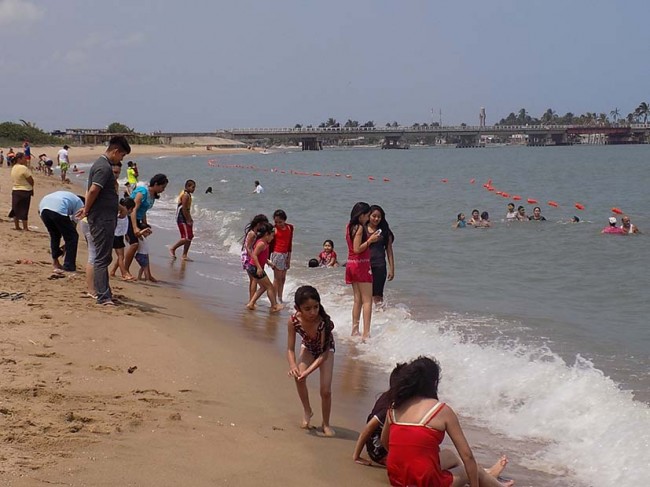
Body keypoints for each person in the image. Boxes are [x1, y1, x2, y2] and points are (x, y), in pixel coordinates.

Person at [381, 356, 514, 487]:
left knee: (449, 456)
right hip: (426, 483)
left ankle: (489, 476)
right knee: (475, 470)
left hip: (397, 478)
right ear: (433, 382)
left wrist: (408, 461)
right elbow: (467, 456)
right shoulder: (440, 410)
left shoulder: (394, 408)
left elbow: (384, 442)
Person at [76, 136, 131, 306]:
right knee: (101, 257)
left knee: (104, 257)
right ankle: (103, 296)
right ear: (115, 151)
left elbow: (104, 193)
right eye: (121, 156)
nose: (121, 160)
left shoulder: (103, 166)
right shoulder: (103, 167)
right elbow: (93, 191)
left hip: (105, 216)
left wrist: (119, 208)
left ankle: (105, 292)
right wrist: (86, 209)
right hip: (101, 219)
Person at [286, 285, 335, 437]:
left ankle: (325, 423)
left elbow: (323, 355)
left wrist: (307, 371)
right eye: (307, 309)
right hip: (308, 346)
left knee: (325, 391)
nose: (313, 312)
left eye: (316, 307)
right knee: (299, 378)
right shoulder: (293, 321)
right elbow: (290, 349)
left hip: (325, 351)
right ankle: (307, 411)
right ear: (297, 308)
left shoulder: (323, 323)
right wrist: (293, 366)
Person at [353, 363, 406, 466]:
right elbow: (368, 428)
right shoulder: (390, 407)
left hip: (380, 443)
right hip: (378, 451)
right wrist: (356, 456)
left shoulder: (389, 396)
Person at [346, 202, 381, 339]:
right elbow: (357, 249)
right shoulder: (360, 228)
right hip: (361, 265)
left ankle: (355, 330)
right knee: (367, 301)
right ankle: (366, 333)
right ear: (361, 215)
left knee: (357, 300)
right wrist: (371, 240)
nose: (368, 218)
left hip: (351, 264)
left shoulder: (349, 226)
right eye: (367, 215)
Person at [124, 173, 169, 278]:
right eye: (163, 187)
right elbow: (134, 209)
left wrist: (145, 224)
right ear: (156, 184)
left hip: (138, 219)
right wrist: (135, 227)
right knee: (134, 244)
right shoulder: (142, 192)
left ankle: (147, 274)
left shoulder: (152, 196)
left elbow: (143, 210)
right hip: (127, 217)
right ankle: (125, 270)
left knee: (143, 246)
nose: (163, 190)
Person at [38, 191, 84, 273]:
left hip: (44, 207)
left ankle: (55, 262)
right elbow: (74, 223)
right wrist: (68, 243)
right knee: (73, 237)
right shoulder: (80, 204)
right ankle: (69, 265)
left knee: (55, 235)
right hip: (58, 208)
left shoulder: (70, 197)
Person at [244, 222, 283, 312]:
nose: (273, 238)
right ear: (266, 234)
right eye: (272, 236)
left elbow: (262, 256)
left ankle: (251, 303)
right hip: (254, 268)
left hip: (254, 267)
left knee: (263, 287)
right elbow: (254, 255)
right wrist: (259, 267)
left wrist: (269, 263)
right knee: (269, 286)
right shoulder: (261, 243)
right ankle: (274, 306)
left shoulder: (265, 243)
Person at [367, 205, 395, 307]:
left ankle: (380, 316)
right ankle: (366, 316)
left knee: (378, 295)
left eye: (379, 217)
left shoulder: (385, 231)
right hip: (365, 265)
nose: (376, 219)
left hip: (379, 266)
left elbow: (389, 251)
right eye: (374, 216)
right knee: (366, 295)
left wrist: (392, 269)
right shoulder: (362, 230)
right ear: (368, 216)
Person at [241, 214, 269, 301]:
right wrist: (252, 258)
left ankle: (251, 300)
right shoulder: (252, 233)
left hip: (249, 255)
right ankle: (251, 300)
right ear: (258, 224)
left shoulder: (254, 232)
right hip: (247, 257)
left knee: (253, 280)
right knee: (254, 280)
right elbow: (248, 247)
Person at [268, 209, 294, 303]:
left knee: (283, 279)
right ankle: (273, 299)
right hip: (277, 254)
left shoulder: (290, 228)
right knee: (277, 279)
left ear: (284, 220)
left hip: (286, 254)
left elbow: (289, 243)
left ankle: (280, 297)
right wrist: (268, 259)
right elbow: (269, 243)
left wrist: (289, 258)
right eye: (276, 222)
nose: (278, 224)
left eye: (280, 222)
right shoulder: (273, 229)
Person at [109, 197, 136, 281]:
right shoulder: (121, 214)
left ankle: (113, 271)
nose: (132, 211)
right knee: (121, 256)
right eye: (131, 209)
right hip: (116, 237)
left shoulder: (124, 215)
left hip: (119, 236)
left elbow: (124, 226)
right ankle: (124, 273)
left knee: (120, 256)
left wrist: (126, 235)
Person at [170, 179, 196, 261]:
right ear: (187, 187)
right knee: (186, 237)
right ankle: (173, 248)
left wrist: (190, 218)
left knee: (190, 236)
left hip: (186, 216)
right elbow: (184, 208)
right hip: (181, 218)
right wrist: (188, 219)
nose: (194, 189)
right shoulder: (185, 195)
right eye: (193, 187)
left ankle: (184, 255)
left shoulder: (188, 194)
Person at [10, 152, 34, 231]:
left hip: (16, 190)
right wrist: (32, 187)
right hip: (25, 190)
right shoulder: (23, 168)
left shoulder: (14, 167)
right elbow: (30, 180)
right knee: (24, 209)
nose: (26, 159)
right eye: (24, 158)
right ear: (19, 159)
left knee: (15, 209)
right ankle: (25, 227)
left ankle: (17, 226)